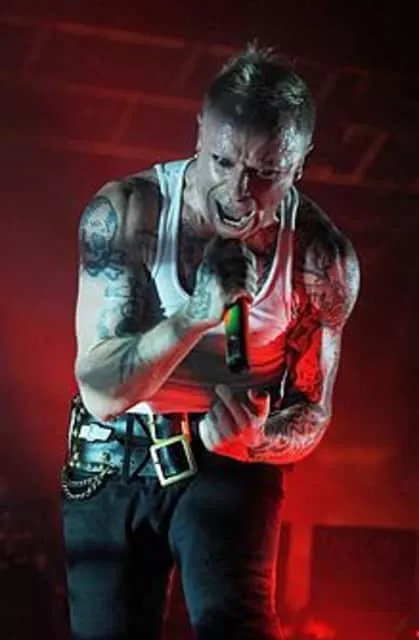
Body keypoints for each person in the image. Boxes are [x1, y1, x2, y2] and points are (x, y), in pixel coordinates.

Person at [61, 42, 360, 640]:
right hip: (113, 456)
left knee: (237, 626)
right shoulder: (128, 212)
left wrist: (257, 440)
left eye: (265, 173)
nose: (237, 190)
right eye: (222, 161)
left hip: (229, 461)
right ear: (199, 131)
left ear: (299, 163)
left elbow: (313, 411)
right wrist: (194, 316)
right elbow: (100, 392)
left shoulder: (319, 257)